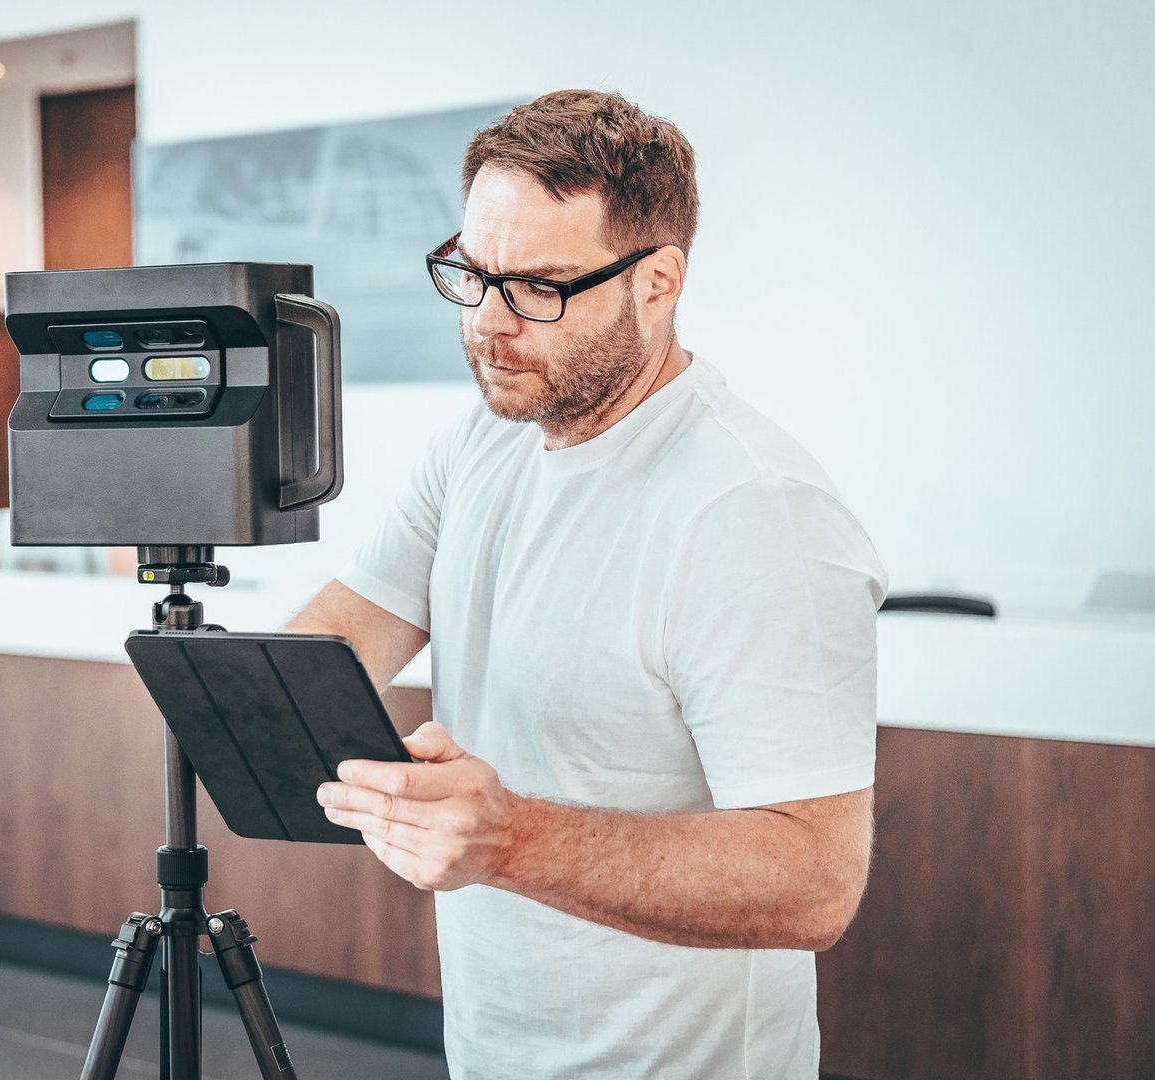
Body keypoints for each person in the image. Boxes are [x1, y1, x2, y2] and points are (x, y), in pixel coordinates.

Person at [287, 89, 888, 1078]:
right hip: (491, 1047)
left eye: (539, 287)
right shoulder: (482, 443)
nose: (489, 324)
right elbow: (340, 642)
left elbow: (815, 881)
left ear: (658, 282)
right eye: (473, 274)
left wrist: (508, 839)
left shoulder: (753, 510)